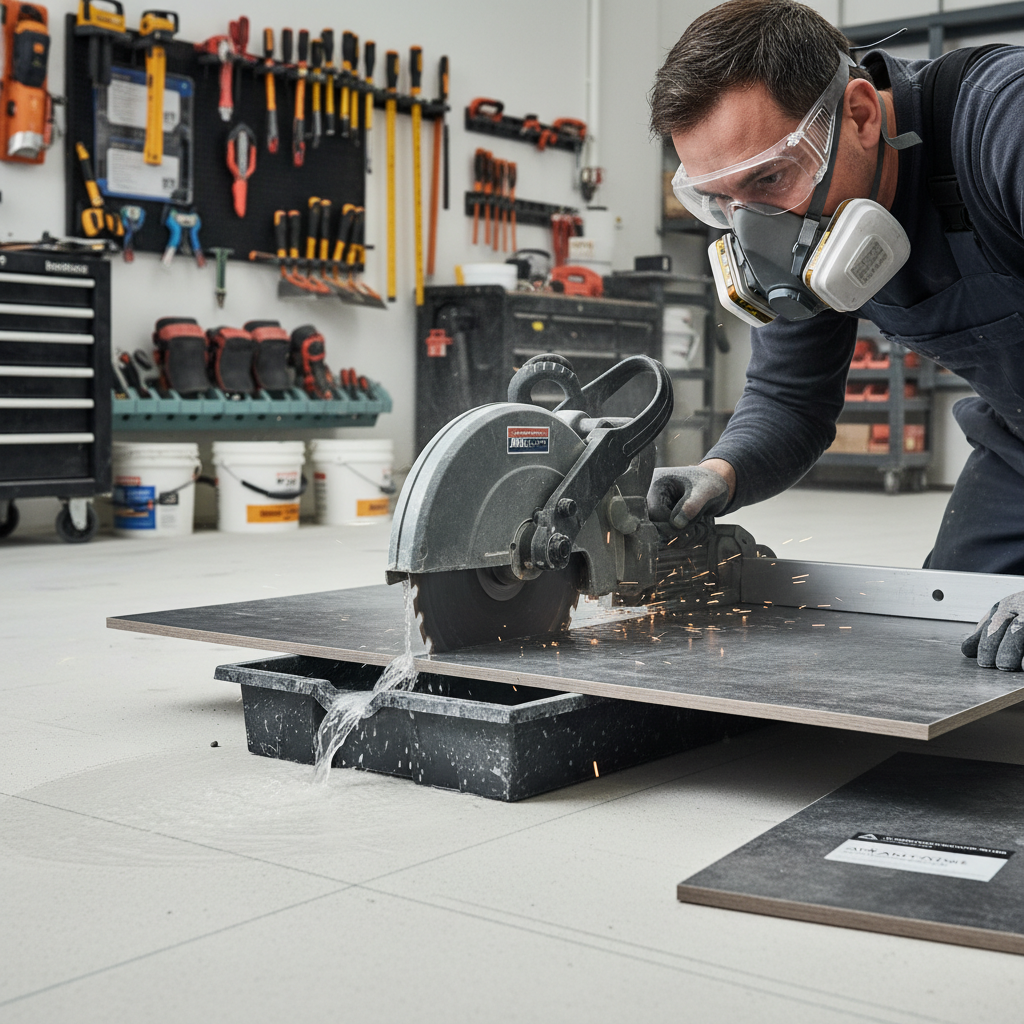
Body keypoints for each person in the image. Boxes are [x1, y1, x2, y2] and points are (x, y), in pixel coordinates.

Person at [646, 0, 1024, 671]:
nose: (754, 225)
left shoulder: (1004, 126)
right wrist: (716, 475)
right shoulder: (816, 217)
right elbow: (790, 401)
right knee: (960, 631)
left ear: (859, 116)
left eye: (768, 178)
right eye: (720, 201)